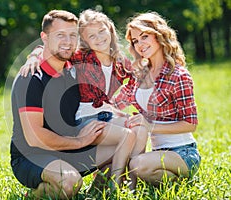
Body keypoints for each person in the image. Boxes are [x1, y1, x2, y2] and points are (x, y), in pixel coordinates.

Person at [10, 10, 138, 199]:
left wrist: (118, 113)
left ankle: (100, 192)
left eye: (72, 35)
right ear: (44, 38)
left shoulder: (73, 70)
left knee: (124, 144)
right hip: (33, 156)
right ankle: (34, 195)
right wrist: (79, 141)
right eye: (60, 35)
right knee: (70, 182)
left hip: (67, 149)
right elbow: (34, 138)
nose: (68, 42)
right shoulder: (31, 79)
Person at [112, 11, 201, 188]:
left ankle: (136, 182)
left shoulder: (178, 75)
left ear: (159, 36)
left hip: (183, 153)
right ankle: (153, 182)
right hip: (157, 154)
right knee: (140, 163)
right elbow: (116, 104)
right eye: (135, 41)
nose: (140, 44)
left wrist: (149, 126)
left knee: (137, 164)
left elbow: (191, 124)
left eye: (144, 36)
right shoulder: (139, 75)